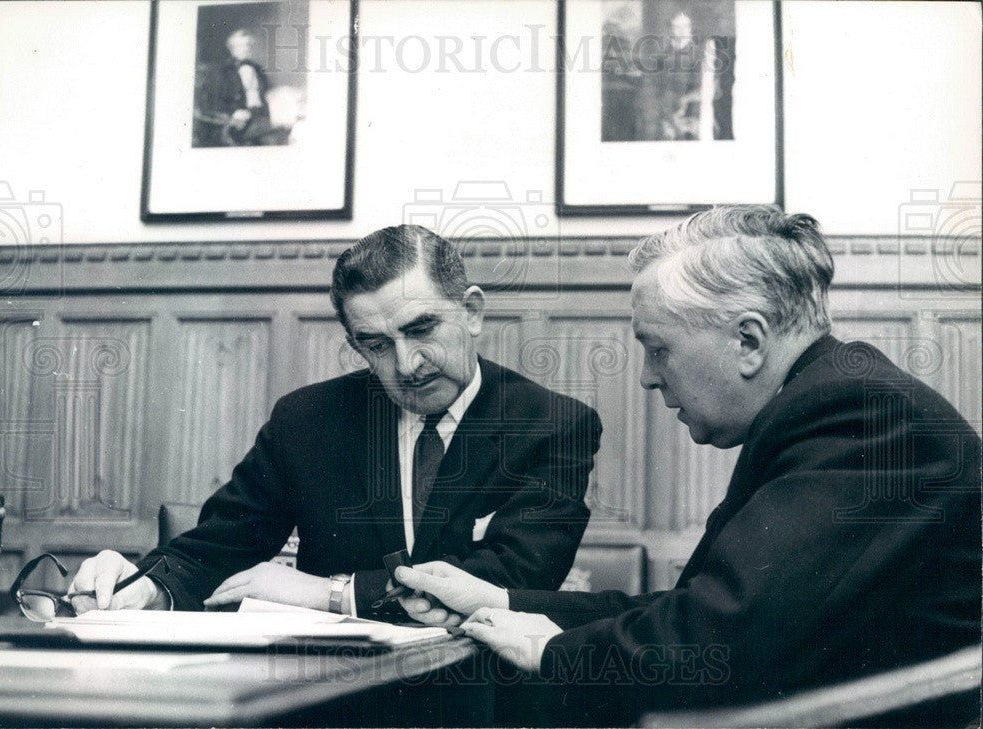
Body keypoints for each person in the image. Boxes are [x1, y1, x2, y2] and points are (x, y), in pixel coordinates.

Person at [394, 206, 982, 726]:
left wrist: (551, 651)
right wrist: (498, 601)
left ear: (748, 341)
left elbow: (718, 640)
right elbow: (697, 609)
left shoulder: (857, 417)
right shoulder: (831, 403)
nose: (648, 376)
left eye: (659, 348)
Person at [68, 225, 602, 618]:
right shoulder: (308, 421)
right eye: (377, 345)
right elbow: (214, 549)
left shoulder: (553, 424)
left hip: (479, 702)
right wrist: (145, 584)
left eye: (422, 329)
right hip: (332, 699)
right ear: (355, 345)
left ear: (472, 312)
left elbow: (515, 578)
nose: (408, 365)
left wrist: (333, 593)